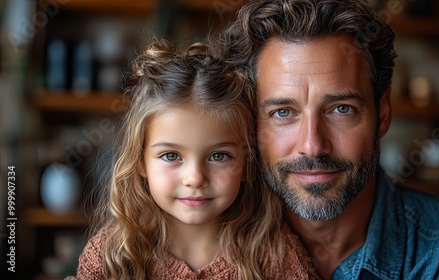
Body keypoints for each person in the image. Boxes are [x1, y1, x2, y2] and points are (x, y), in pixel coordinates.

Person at [221, 0, 439, 279]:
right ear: (251, 123)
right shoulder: (206, 249)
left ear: (383, 112)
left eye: (342, 109)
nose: (312, 145)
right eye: (283, 112)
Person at [65, 39, 319, 280]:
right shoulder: (112, 256)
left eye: (219, 156)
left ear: (246, 163)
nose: (195, 178)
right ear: (141, 162)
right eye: (171, 155)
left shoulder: (275, 255)